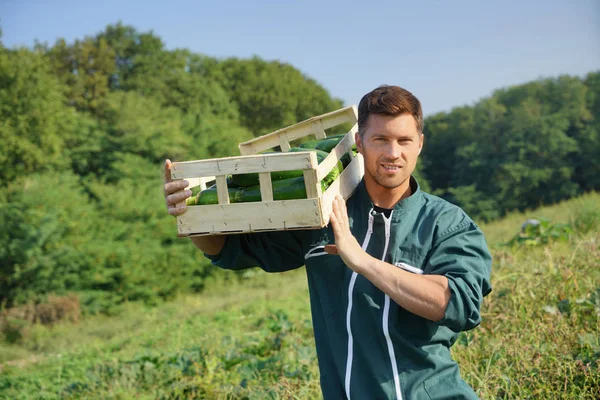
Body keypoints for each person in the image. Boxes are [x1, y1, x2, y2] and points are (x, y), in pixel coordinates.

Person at [164, 85, 492, 400]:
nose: (393, 153)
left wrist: (362, 261)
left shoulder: (446, 223)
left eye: (404, 140)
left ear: (419, 143)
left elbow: (458, 304)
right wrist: (191, 213)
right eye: (381, 139)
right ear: (359, 143)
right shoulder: (320, 213)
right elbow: (229, 250)